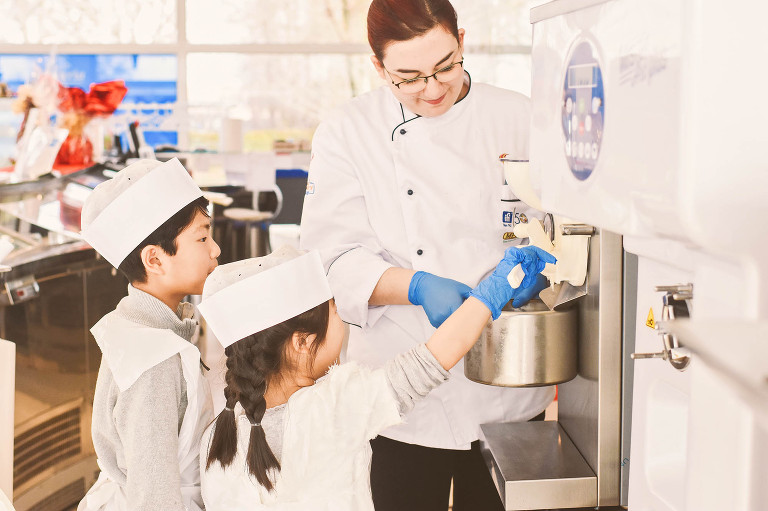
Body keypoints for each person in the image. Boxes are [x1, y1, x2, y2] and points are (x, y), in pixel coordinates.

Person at [299, 0, 552, 509]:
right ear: (378, 67)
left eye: (447, 66)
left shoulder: (520, 117)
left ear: (462, 38)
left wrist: (541, 272)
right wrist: (414, 286)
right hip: (400, 385)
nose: (433, 90)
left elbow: (560, 227)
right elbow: (331, 260)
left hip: (507, 372)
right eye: (408, 78)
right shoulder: (347, 133)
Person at [197, 244, 555, 510]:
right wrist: (497, 287)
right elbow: (432, 359)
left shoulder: (219, 432)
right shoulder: (333, 407)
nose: (344, 319)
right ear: (302, 344)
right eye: (335, 311)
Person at [77, 158, 221, 511]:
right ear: (155, 260)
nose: (215, 249)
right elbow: (154, 498)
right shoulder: (153, 362)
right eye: (202, 237)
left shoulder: (154, 329)